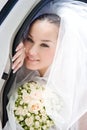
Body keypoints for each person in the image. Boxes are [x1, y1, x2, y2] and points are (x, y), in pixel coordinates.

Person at [3, 0, 87, 130]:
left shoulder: (77, 93)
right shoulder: (20, 73)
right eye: (30, 40)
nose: (32, 51)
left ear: (62, 47)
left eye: (44, 45)